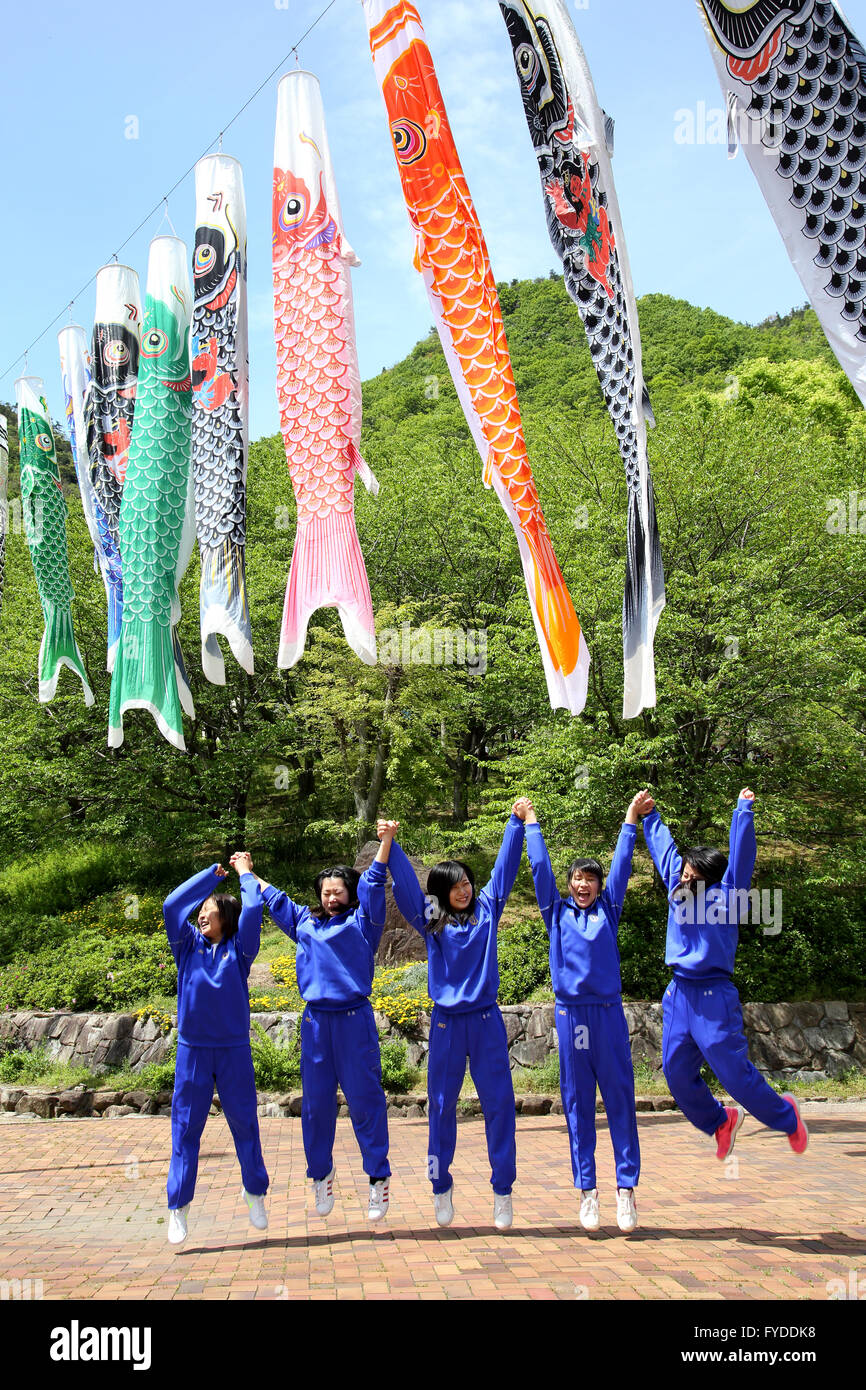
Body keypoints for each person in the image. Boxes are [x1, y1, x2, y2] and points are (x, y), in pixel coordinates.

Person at [640, 787, 808, 1159]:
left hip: (713, 996)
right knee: (676, 1073)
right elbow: (664, 850)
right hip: (678, 993)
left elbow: (743, 857)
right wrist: (650, 816)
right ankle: (720, 1122)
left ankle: (787, 1117)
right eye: (684, 871)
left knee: (733, 1075)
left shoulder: (729, 896)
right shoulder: (676, 888)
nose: (685, 877)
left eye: (693, 875)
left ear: (710, 879)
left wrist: (743, 812)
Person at [382, 811, 525, 1231]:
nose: (463, 889)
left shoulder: (487, 910)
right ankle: (440, 1185)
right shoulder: (433, 920)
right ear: (442, 893)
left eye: (466, 882)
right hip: (446, 1024)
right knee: (441, 1108)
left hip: (485, 1021)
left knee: (499, 1106)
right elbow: (408, 889)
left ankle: (503, 1191)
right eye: (454, 885)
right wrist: (393, 845)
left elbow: (506, 868)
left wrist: (516, 825)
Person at [249, 826, 396, 1222]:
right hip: (315, 1024)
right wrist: (247, 872)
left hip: (353, 1022)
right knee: (315, 1106)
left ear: (350, 892)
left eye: (339, 891)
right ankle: (320, 1173)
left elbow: (376, 880)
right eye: (326, 892)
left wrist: (386, 842)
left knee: (365, 1100)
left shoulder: (364, 922)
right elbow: (275, 900)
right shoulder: (304, 923)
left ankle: (378, 1178)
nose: (332, 898)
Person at [519, 792, 650, 1234]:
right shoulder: (554, 913)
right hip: (571, 1017)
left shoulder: (609, 910)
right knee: (577, 1104)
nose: (584, 884)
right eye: (577, 878)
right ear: (570, 882)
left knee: (619, 1100)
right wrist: (531, 821)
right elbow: (539, 869)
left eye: (590, 879)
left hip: (608, 1015)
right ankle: (588, 1192)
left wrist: (630, 817)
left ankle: (626, 1190)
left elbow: (622, 867)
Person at [162, 852, 268, 1246]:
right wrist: (209, 877)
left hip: (233, 1051)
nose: (202, 916)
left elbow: (254, 908)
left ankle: (255, 1192)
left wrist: (244, 873)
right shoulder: (186, 945)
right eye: (201, 911)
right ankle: (178, 1207)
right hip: (193, 1051)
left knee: (244, 1124)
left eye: (209, 911)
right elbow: (173, 905)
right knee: (186, 1129)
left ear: (226, 916)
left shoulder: (241, 951)